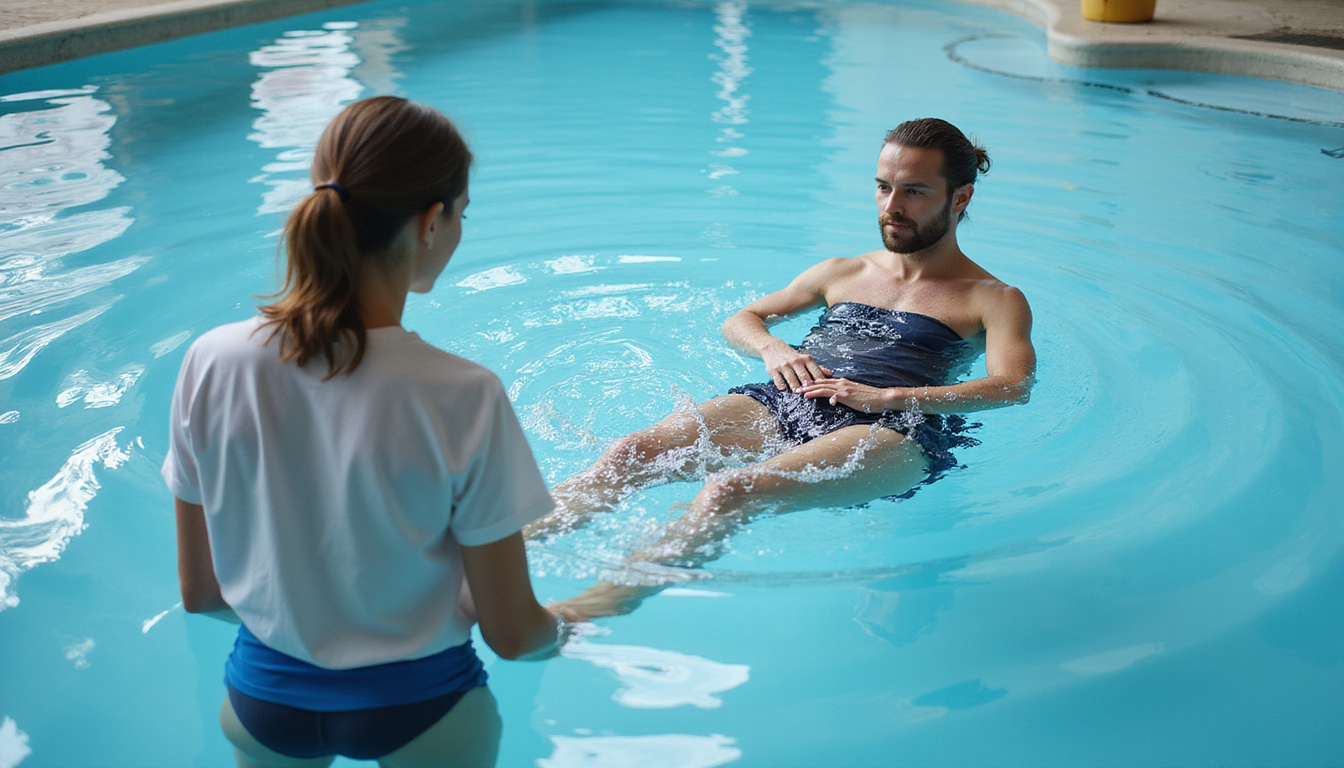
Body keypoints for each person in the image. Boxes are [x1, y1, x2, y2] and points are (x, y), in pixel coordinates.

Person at [163, 96, 563, 768]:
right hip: (422, 709)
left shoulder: (211, 359)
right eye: (462, 215)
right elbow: (515, 636)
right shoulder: (463, 393)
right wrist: (570, 628)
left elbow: (202, 594)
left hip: (264, 703)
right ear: (431, 221)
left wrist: (316, 633)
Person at [531, 118, 1036, 621]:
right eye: (883, 187)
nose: (891, 207)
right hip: (790, 396)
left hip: (890, 427)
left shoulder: (993, 299)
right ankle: (480, 550)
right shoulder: (843, 271)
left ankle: (580, 615)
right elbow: (742, 319)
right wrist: (773, 349)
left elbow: (1012, 387)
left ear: (960, 198)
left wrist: (889, 398)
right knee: (630, 452)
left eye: (914, 192)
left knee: (729, 492)